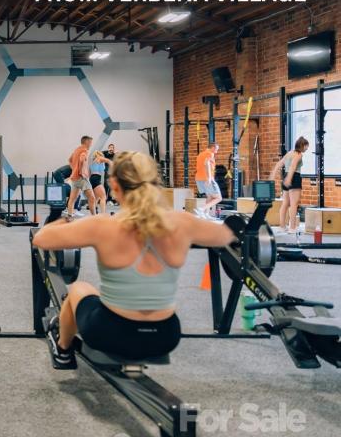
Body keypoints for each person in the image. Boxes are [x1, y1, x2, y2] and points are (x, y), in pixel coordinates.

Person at [33, 152, 234, 369]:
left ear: (114, 185)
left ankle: (63, 349)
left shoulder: (103, 225)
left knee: (78, 289)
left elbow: (41, 239)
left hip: (110, 333)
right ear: (155, 184)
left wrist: (63, 219)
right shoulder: (182, 222)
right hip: (165, 337)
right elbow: (228, 236)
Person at [270, 137, 309, 234]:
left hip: (286, 175)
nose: (307, 148)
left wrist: (273, 174)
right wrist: (289, 178)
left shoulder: (289, 153)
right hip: (294, 177)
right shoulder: (298, 154)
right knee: (294, 204)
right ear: (302, 145)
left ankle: (282, 226)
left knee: (285, 203)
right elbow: (293, 166)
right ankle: (292, 228)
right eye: (306, 146)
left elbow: (279, 164)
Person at [65, 136, 95, 218]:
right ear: (87, 142)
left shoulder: (76, 150)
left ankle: (70, 216)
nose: (91, 145)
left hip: (74, 178)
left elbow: (70, 160)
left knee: (72, 199)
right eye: (90, 143)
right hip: (82, 178)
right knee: (92, 198)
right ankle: (94, 217)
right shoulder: (84, 150)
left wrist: (74, 169)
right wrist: (81, 171)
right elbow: (82, 159)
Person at [194, 142, 221, 219]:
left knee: (209, 196)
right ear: (212, 147)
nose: (216, 152)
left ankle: (206, 214)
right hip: (207, 179)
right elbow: (207, 164)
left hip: (199, 178)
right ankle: (201, 209)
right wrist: (209, 178)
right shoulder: (210, 154)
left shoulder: (200, 154)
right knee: (218, 198)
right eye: (216, 149)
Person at [89, 150, 110, 216]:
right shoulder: (99, 158)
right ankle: (103, 214)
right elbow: (108, 161)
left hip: (92, 179)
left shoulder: (92, 162)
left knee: (96, 197)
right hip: (96, 178)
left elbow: (89, 174)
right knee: (103, 197)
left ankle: (94, 214)